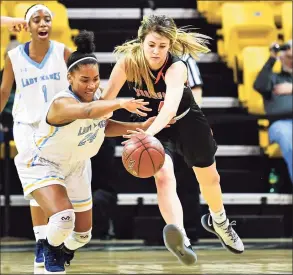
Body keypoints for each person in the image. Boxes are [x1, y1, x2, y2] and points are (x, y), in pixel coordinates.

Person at [102, 14, 244, 265]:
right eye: (151, 45)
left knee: (209, 178)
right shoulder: (127, 63)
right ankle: (181, 237)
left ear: (171, 45)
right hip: (157, 126)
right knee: (163, 176)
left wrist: (146, 134)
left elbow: (169, 109)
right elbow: (105, 102)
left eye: (162, 46)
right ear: (141, 41)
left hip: (186, 120)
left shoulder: (177, 67)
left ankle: (219, 221)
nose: (156, 52)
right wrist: (113, 109)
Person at [14, 30, 153, 274]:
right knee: (63, 218)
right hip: (42, 162)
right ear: (69, 77)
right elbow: (88, 112)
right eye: (84, 80)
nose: (91, 85)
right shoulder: (62, 103)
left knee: (82, 235)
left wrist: (140, 127)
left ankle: (57, 250)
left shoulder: (97, 97)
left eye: (96, 79)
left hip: (75, 166)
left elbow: (103, 125)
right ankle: (48, 250)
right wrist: (120, 103)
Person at [0, 4, 72, 267]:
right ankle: (43, 240)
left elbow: (83, 84)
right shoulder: (14, 57)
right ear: (27, 26)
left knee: (53, 185)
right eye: (37, 20)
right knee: (38, 186)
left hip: (58, 127)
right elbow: (4, 92)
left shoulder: (64, 53)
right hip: (26, 127)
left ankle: (51, 238)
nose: (43, 24)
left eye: (47, 19)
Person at [253, 40, 293, 184]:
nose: (292, 62)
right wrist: (272, 58)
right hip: (281, 124)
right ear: (281, 58)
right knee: (288, 137)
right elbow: (259, 85)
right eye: (289, 58)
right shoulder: (274, 78)